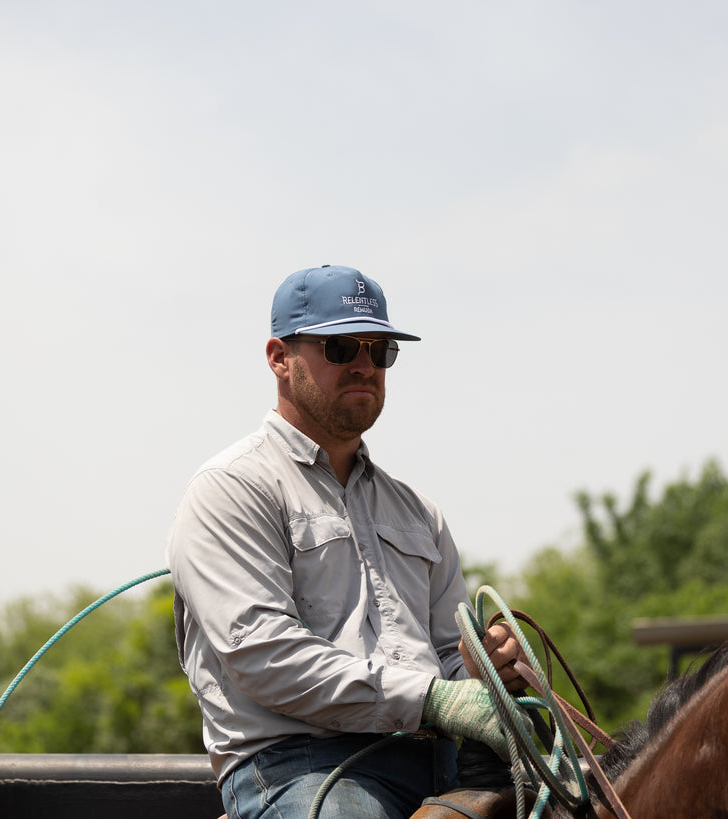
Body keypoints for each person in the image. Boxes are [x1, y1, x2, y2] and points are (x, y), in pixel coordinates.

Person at [166, 265, 524, 819]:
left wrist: (486, 669)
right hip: (301, 768)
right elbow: (263, 656)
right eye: (340, 347)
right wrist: (435, 700)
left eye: (380, 351)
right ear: (278, 358)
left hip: (442, 765)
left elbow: (449, 657)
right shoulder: (232, 488)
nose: (365, 364)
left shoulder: (417, 512)